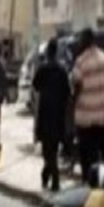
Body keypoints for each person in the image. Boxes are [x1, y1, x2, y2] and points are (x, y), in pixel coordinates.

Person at [72, 27, 104, 181]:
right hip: (100, 115)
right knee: (99, 153)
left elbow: (77, 88)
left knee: (86, 155)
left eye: (81, 39)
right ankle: (101, 181)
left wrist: (70, 110)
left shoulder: (80, 62)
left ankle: (88, 183)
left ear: (86, 40)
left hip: (85, 117)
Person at [33, 39, 70, 191]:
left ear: (48, 52)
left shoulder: (43, 69)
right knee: (52, 150)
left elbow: (35, 86)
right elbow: (68, 93)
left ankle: (53, 178)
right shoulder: (62, 70)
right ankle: (48, 175)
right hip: (58, 115)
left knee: (48, 151)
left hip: (45, 114)